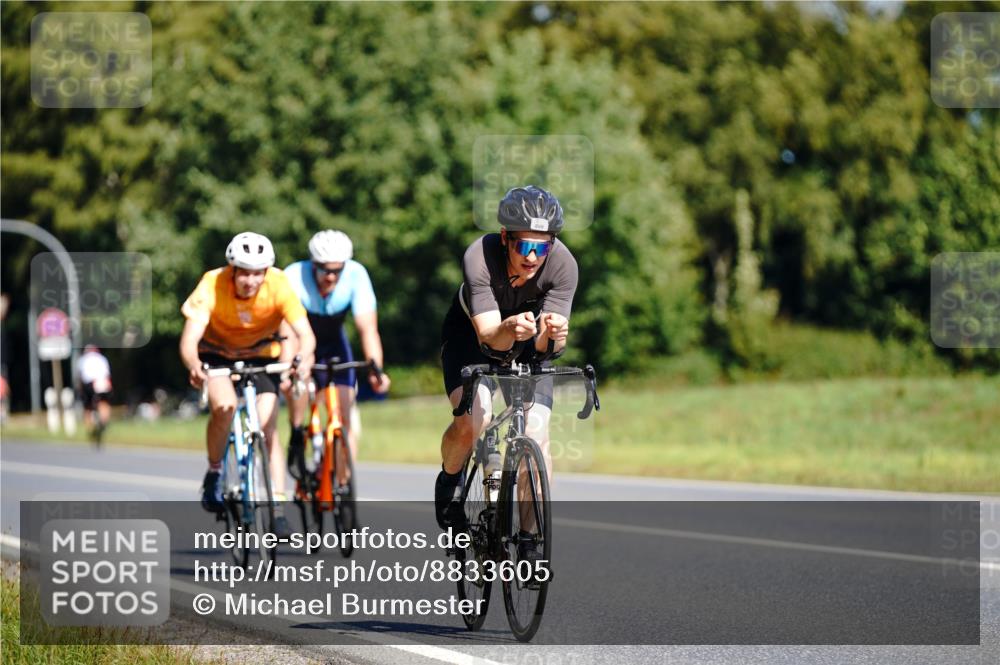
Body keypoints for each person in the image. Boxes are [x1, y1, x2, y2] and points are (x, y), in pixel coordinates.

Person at [435, 186, 577, 540]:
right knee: (473, 421)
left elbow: (548, 349)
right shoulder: (479, 258)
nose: (532, 257)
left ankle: (530, 538)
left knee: (537, 433)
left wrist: (553, 333)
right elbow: (489, 339)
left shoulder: (563, 265)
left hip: (527, 344)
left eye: (541, 247)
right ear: (504, 237)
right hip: (473, 339)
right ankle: (451, 476)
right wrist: (511, 328)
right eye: (523, 246)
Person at [179, 231, 315, 536]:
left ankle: (278, 508)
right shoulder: (212, 284)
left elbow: (305, 334)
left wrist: (302, 359)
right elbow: (189, 340)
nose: (252, 281)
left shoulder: (279, 284)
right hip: (216, 356)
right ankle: (214, 472)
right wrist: (194, 365)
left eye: (258, 274)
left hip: (262, 356)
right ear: (232, 270)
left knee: (267, 427)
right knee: (224, 408)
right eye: (245, 274)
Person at [282, 230, 391, 480]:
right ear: (313, 264)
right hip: (301, 342)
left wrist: (376, 369)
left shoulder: (356, 274)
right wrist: (289, 368)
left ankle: (342, 487)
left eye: (336, 270)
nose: (330, 276)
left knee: (345, 414)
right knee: (297, 389)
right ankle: (297, 432)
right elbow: (286, 331)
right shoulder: (293, 275)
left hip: (335, 345)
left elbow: (368, 330)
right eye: (324, 270)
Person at [79, 344, 113, 445]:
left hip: (90, 383)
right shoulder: (102, 358)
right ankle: (103, 422)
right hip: (103, 382)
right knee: (104, 403)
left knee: (88, 407)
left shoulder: (83, 360)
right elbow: (107, 374)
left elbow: (81, 376)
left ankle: (90, 430)